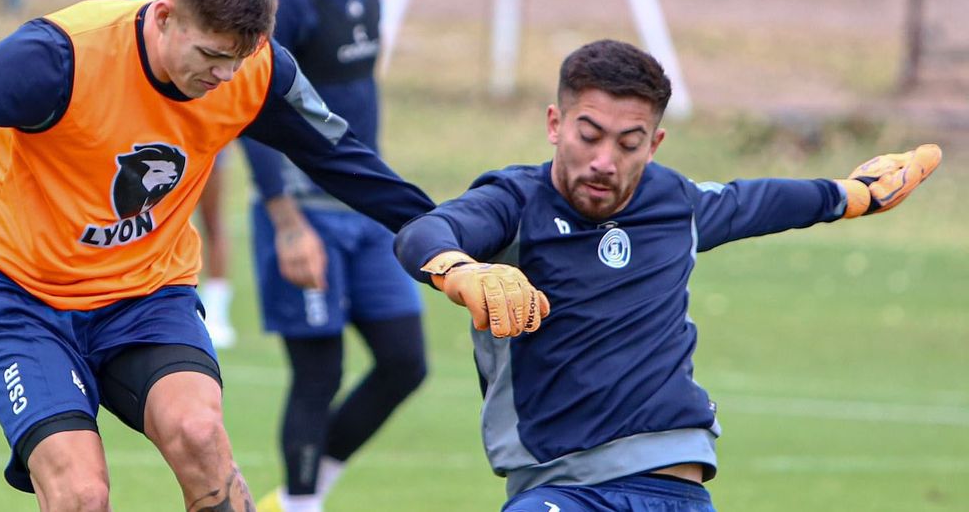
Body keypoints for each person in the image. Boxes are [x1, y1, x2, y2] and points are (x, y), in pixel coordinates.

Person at [0, 0, 530, 512]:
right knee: (81, 492)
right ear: (164, 15)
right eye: (212, 55)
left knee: (202, 434)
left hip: (146, 295)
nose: (225, 76)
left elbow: (350, 166)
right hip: (22, 297)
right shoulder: (60, 58)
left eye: (239, 59)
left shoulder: (257, 70)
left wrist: (458, 244)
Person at [394, 39, 941, 512]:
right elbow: (427, 232)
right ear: (555, 125)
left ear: (652, 146)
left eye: (629, 144)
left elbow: (754, 201)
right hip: (561, 485)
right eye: (590, 135)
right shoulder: (514, 202)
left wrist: (852, 196)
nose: (606, 160)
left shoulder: (672, 202)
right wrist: (461, 270)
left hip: (672, 484)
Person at [243, 0, 442, 512]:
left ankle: (305, 492)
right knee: (318, 370)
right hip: (304, 213)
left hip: (364, 214)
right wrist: (286, 222)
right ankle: (300, 504)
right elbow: (250, 112)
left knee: (404, 359)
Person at [129, 0, 238, 349]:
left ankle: (218, 311)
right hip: (151, 129)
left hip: (206, 122)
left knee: (211, 216)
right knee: (146, 216)